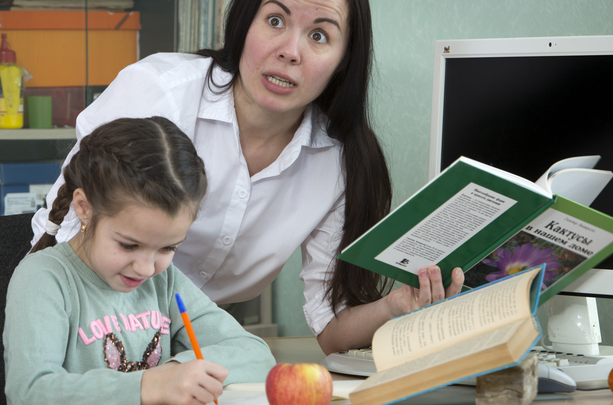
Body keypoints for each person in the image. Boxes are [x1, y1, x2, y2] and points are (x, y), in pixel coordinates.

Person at [31, 0, 465, 356]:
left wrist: (395, 306)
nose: (290, 51)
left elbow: (331, 330)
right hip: (79, 316)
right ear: (244, 23)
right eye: (275, 20)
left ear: (343, 59)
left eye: (319, 35)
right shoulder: (159, 92)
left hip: (198, 338)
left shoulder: (342, 161)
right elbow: (71, 240)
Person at [5, 117, 276, 405]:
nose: (147, 268)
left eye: (168, 248)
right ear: (84, 208)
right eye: (128, 245)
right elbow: (30, 392)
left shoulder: (165, 280)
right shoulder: (44, 278)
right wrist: (147, 385)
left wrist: (176, 373)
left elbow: (255, 354)